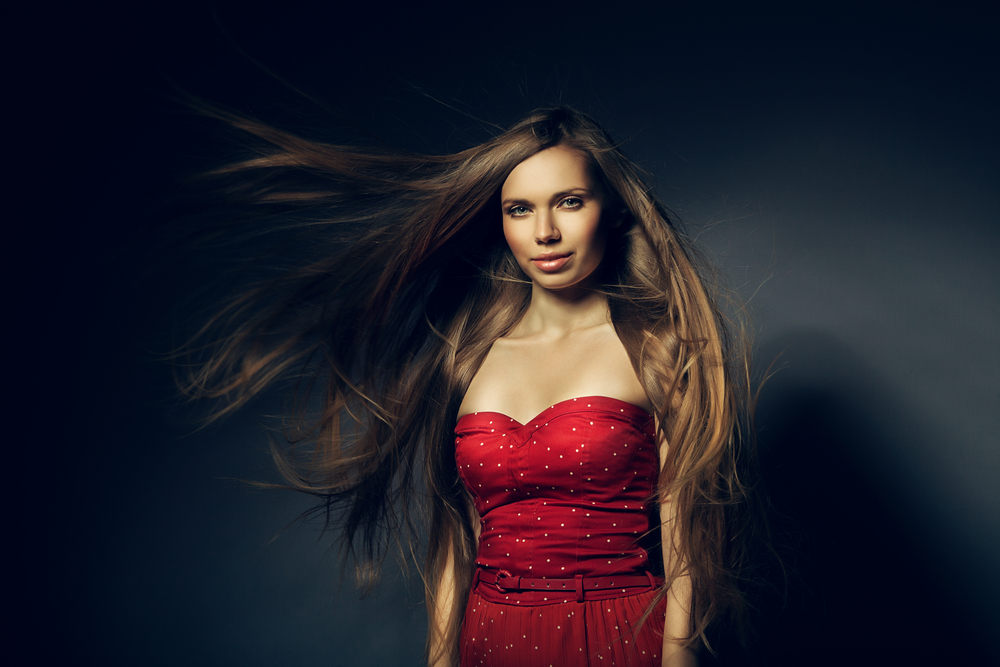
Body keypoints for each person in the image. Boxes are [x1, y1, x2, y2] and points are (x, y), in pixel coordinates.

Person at [178, 105, 756, 666]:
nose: (546, 232)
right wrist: (438, 659)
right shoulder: (470, 356)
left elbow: (687, 536)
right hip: (492, 637)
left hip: (615, 636)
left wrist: (679, 656)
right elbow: (456, 534)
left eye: (569, 202)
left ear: (614, 210)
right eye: (520, 210)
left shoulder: (657, 348)